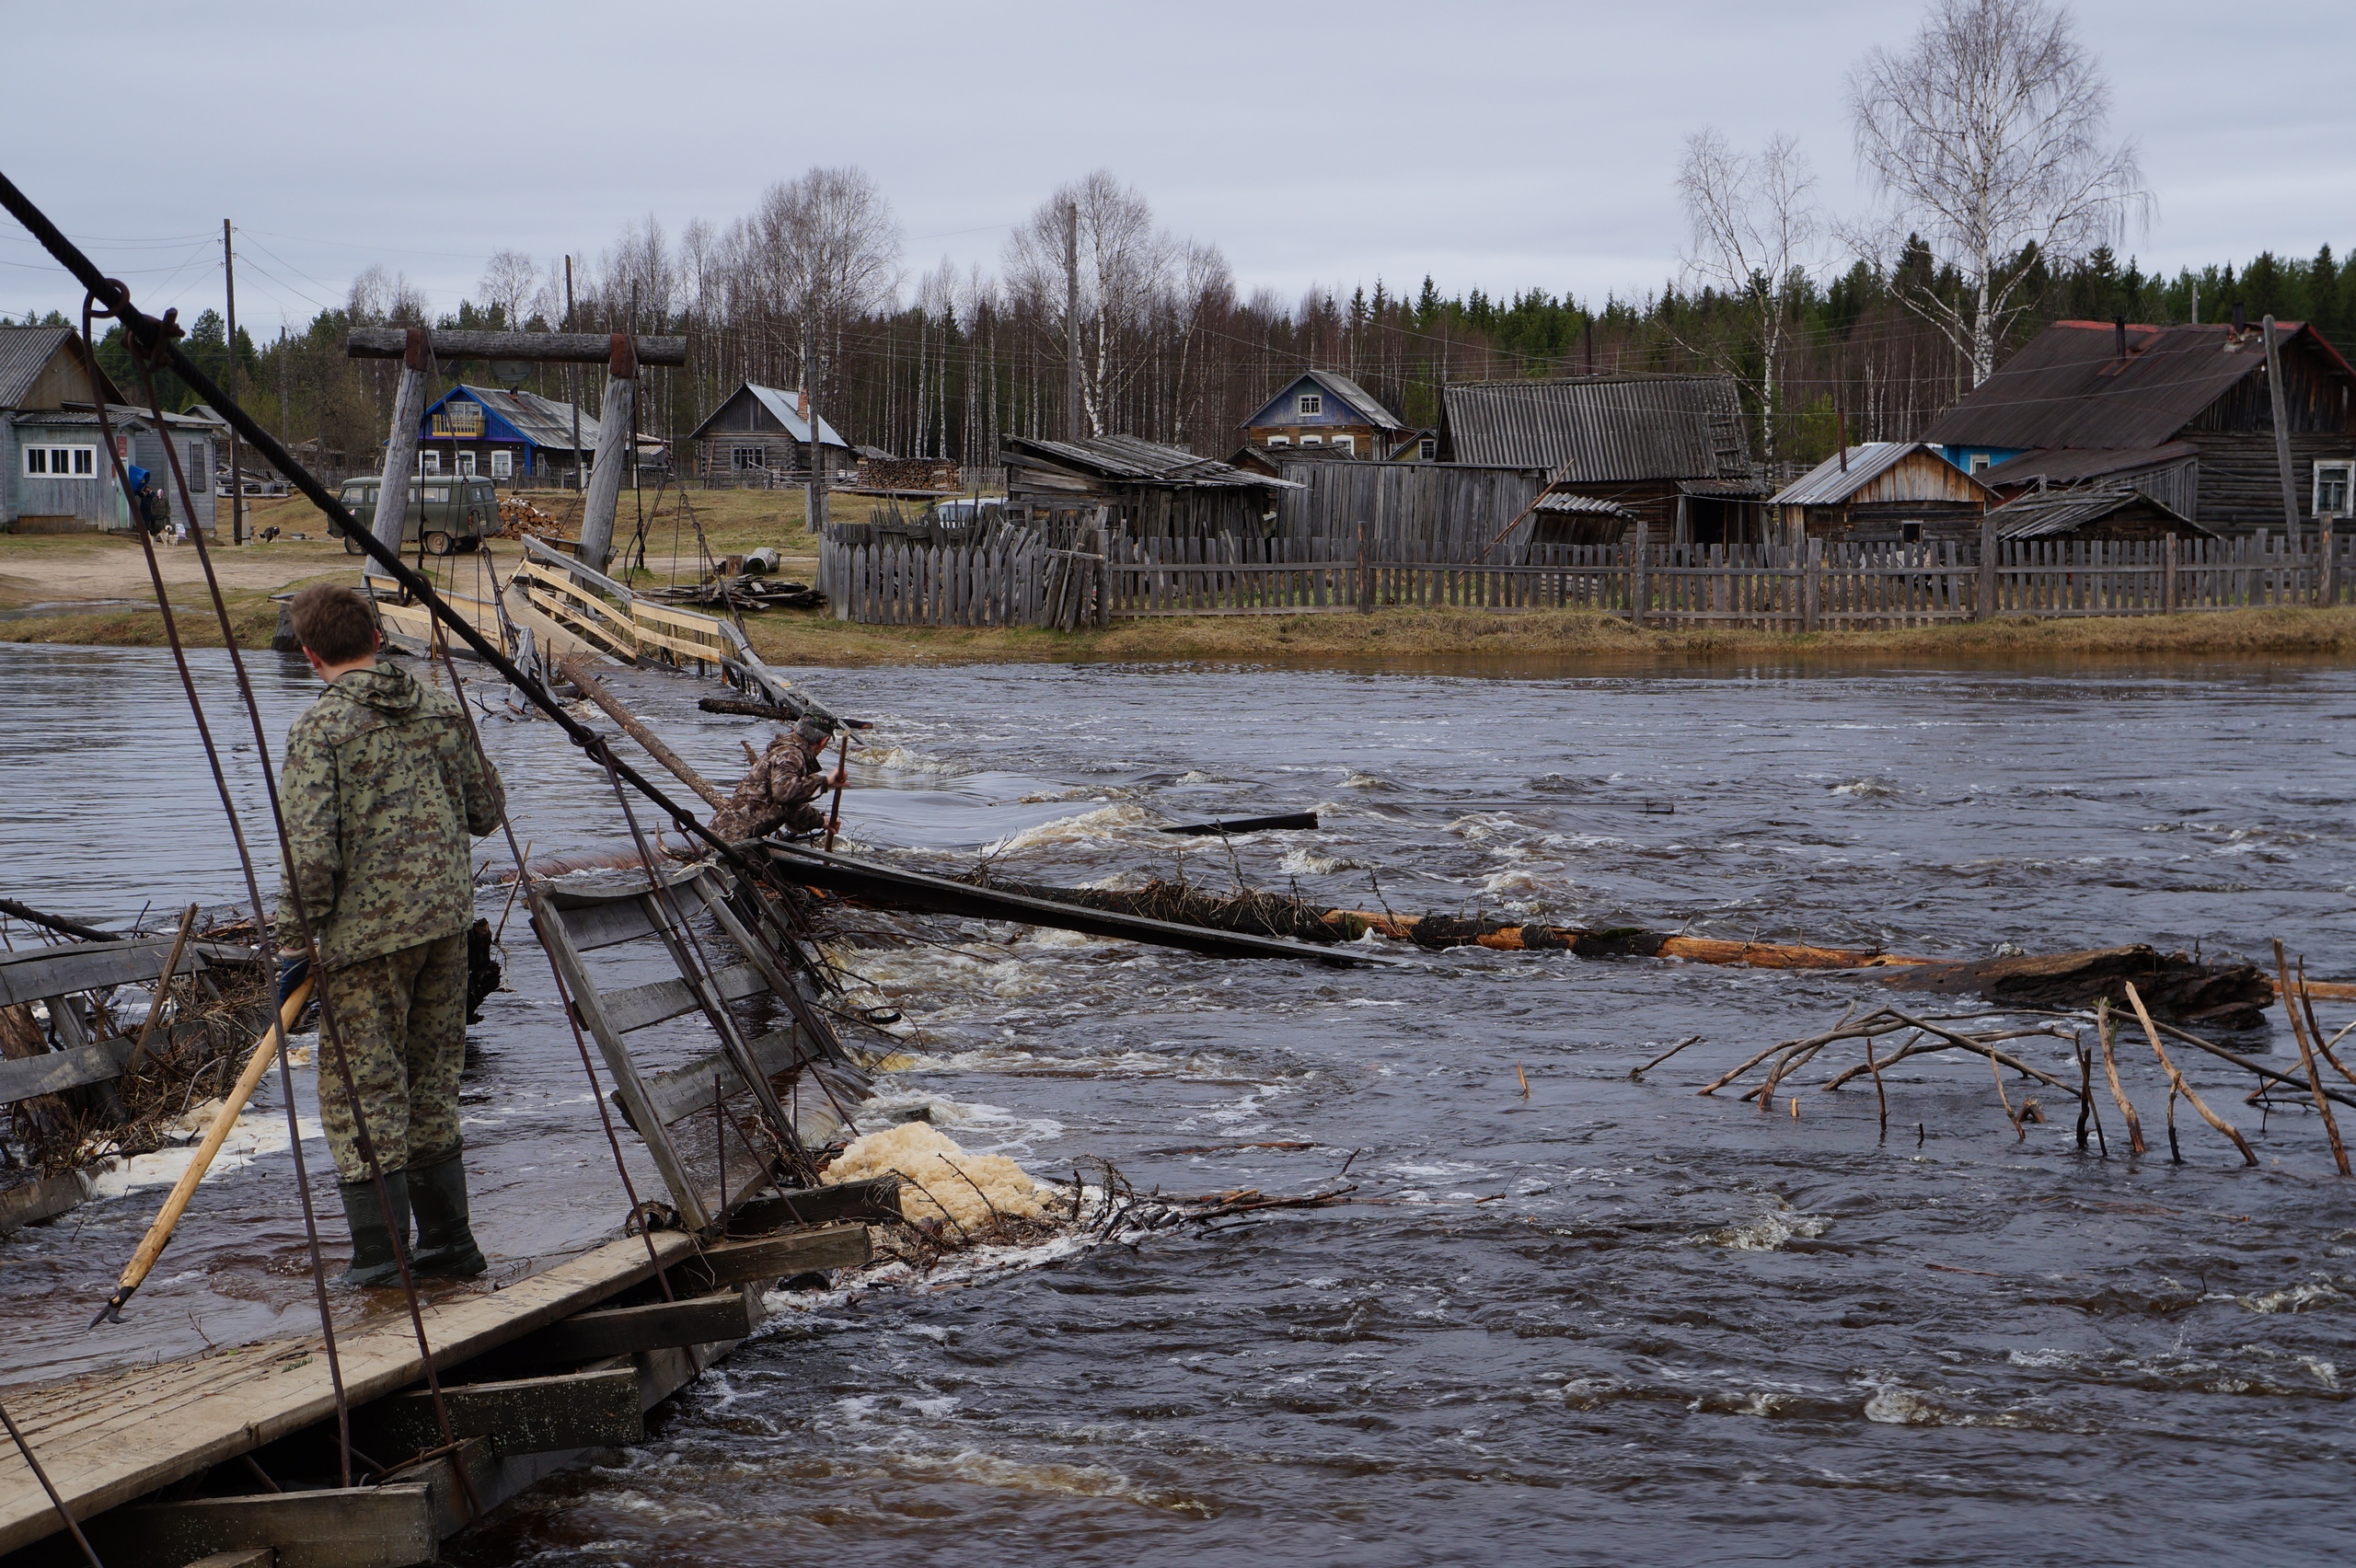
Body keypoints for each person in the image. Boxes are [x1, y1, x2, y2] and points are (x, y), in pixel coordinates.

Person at [276, 584, 506, 1285]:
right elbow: (487, 811)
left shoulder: (319, 731)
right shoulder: (439, 708)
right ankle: (449, 1245)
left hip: (362, 946)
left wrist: (293, 943)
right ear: (378, 638)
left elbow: (311, 858)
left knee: (360, 1092)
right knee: (433, 1085)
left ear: (311, 655)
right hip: (443, 930)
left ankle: (381, 1260)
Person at [710, 716, 846, 842]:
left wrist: (820, 821)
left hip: (724, 834)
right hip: (733, 840)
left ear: (796, 729)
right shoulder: (791, 755)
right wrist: (825, 783)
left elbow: (792, 809)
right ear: (824, 741)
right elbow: (783, 793)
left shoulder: (786, 751)